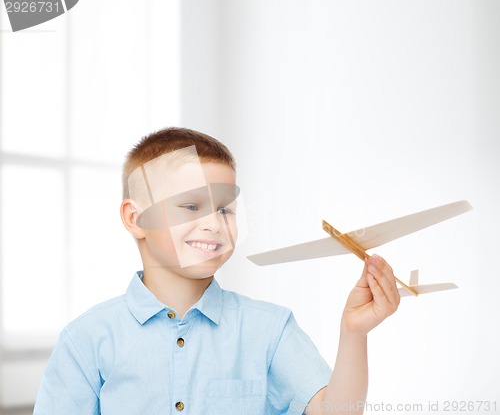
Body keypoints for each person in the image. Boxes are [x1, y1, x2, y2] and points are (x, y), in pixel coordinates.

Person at [33, 127, 400, 415]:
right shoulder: (86, 340)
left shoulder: (269, 330)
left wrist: (354, 332)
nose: (214, 224)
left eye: (225, 209)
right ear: (135, 218)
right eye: (191, 206)